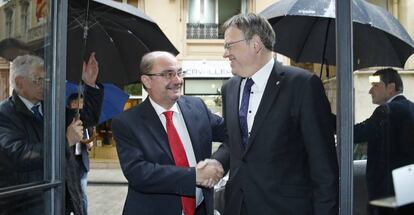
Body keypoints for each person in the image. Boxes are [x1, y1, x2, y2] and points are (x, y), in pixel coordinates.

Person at [211, 13, 339, 215]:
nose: (225, 54)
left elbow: (323, 167)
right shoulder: (230, 88)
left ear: (255, 44)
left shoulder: (302, 85)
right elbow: (235, 142)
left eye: (229, 45)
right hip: (237, 207)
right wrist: (217, 161)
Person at [112, 51, 226, 215]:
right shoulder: (127, 122)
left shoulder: (197, 107)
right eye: (168, 74)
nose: (178, 80)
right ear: (147, 81)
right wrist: (194, 176)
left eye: (179, 73)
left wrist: (217, 163)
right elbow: (138, 173)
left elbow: (232, 134)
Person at [0, 53, 103, 215]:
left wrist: (89, 84)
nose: (43, 85)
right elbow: (19, 155)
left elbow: (87, 119)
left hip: (60, 201)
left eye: (45, 80)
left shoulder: (52, 108)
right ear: (20, 82)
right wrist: (65, 141)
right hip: (26, 204)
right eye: (37, 80)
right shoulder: (4, 114)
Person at [354, 68, 414, 215]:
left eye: (375, 85)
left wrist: (327, 119)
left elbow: (357, 133)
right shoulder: (411, 108)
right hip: (407, 187)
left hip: (386, 193)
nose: (370, 91)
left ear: (391, 88)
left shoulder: (387, 110)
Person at [66, 93, 95, 215]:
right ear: (73, 104)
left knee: (82, 192)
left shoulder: (85, 121)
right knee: (71, 193)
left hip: (81, 161)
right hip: (69, 161)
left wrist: (89, 144)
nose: (83, 105)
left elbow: (89, 140)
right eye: (81, 102)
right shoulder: (65, 119)